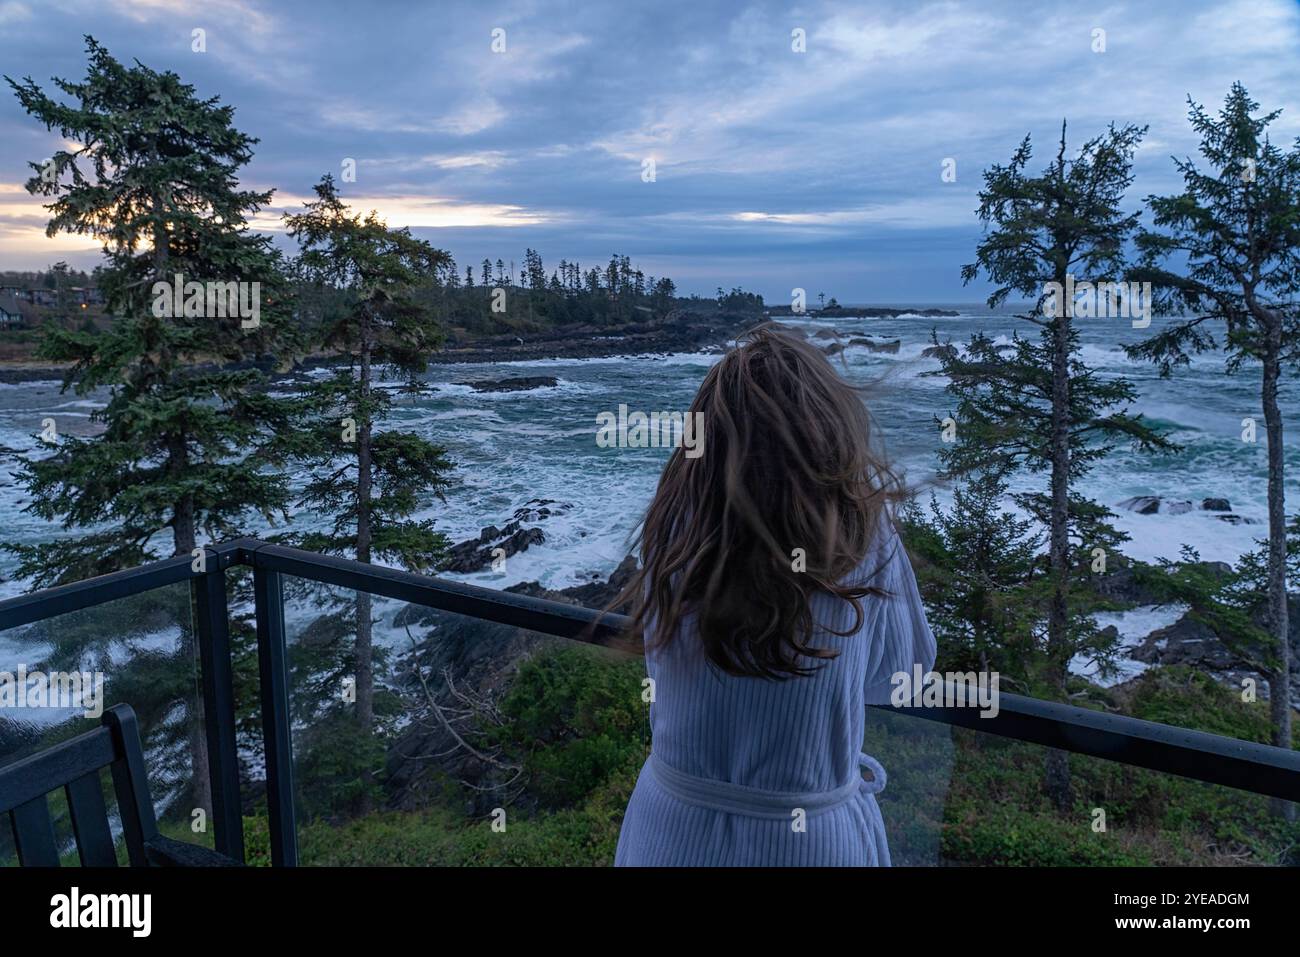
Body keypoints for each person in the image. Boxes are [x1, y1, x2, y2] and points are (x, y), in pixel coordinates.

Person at [612, 323, 936, 866]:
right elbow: (901, 675)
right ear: (829, 431)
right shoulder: (862, 537)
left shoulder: (674, 527)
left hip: (669, 826)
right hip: (806, 839)